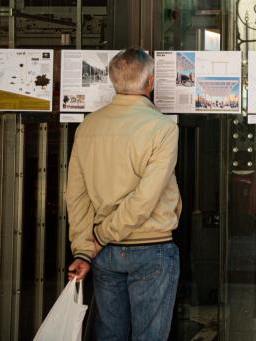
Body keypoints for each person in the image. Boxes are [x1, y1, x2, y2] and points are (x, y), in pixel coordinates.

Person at [65, 48, 182, 340]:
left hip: (104, 252)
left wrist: (84, 248)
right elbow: (145, 198)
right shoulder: (163, 128)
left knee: (110, 335)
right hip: (150, 245)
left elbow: (76, 195)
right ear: (150, 82)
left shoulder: (88, 126)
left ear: (113, 81)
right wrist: (100, 237)